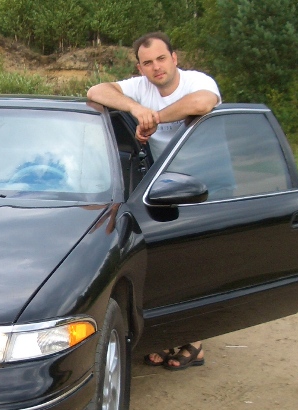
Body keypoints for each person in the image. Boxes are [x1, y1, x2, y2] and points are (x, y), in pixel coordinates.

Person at [87, 32, 221, 370]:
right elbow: (96, 92)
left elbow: (203, 104)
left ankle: (195, 342)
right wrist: (135, 108)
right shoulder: (140, 87)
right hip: (164, 185)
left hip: (206, 183)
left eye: (161, 59)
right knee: (165, 260)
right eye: (147, 63)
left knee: (196, 260)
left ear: (175, 58)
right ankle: (169, 335)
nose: (156, 67)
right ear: (140, 68)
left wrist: (155, 117)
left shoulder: (197, 82)